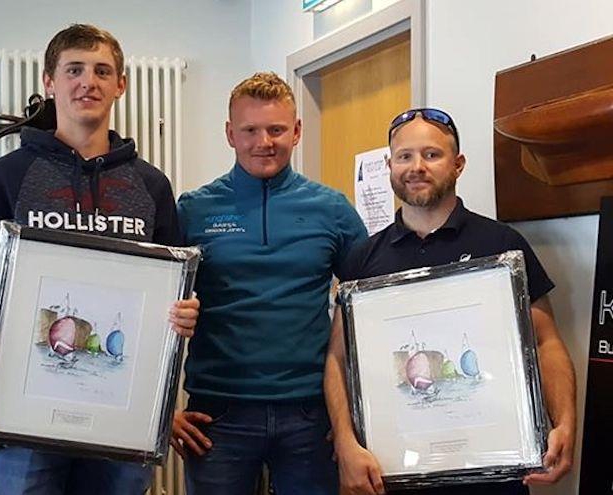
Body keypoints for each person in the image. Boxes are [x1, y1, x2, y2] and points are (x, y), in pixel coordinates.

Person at [0, 23, 200, 494]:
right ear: (49, 82)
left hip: (121, 418)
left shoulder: (151, 187)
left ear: (121, 84)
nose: (89, 82)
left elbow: (173, 294)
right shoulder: (7, 177)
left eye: (103, 71)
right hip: (21, 419)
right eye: (74, 70)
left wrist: (184, 311)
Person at [324, 108, 576, 495]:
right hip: (393, 473)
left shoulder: (502, 245)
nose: (416, 167)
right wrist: (345, 442)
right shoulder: (362, 259)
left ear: (458, 165)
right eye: (405, 156)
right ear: (391, 165)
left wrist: (564, 423)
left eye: (432, 154)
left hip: (493, 473)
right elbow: (339, 359)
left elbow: (546, 342)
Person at [173, 72, 368, 494]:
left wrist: (356, 412)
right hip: (217, 416)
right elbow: (154, 306)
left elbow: (369, 306)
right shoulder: (193, 210)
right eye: (250, 130)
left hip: (310, 414)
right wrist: (159, 410)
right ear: (230, 134)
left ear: (296, 131)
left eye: (277, 129)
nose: (265, 141)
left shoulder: (332, 209)